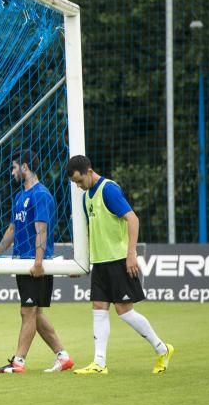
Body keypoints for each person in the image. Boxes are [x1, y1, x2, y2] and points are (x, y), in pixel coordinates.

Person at [65, 155, 174, 374]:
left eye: (79, 181)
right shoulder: (86, 196)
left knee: (124, 311)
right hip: (100, 263)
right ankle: (99, 363)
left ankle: (162, 349)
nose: (78, 186)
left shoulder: (109, 190)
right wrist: (82, 263)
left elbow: (132, 219)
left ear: (89, 171)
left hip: (118, 260)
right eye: (75, 183)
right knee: (98, 308)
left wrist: (131, 254)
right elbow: (92, 232)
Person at [0, 150, 74, 374]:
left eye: (15, 167)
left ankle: (18, 362)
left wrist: (38, 263)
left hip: (35, 264)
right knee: (34, 314)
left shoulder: (41, 195)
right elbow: (12, 229)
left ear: (25, 167)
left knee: (28, 312)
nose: (12, 172)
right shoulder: (20, 197)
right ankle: (63, 356)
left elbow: (42, 229)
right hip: (23, 263)